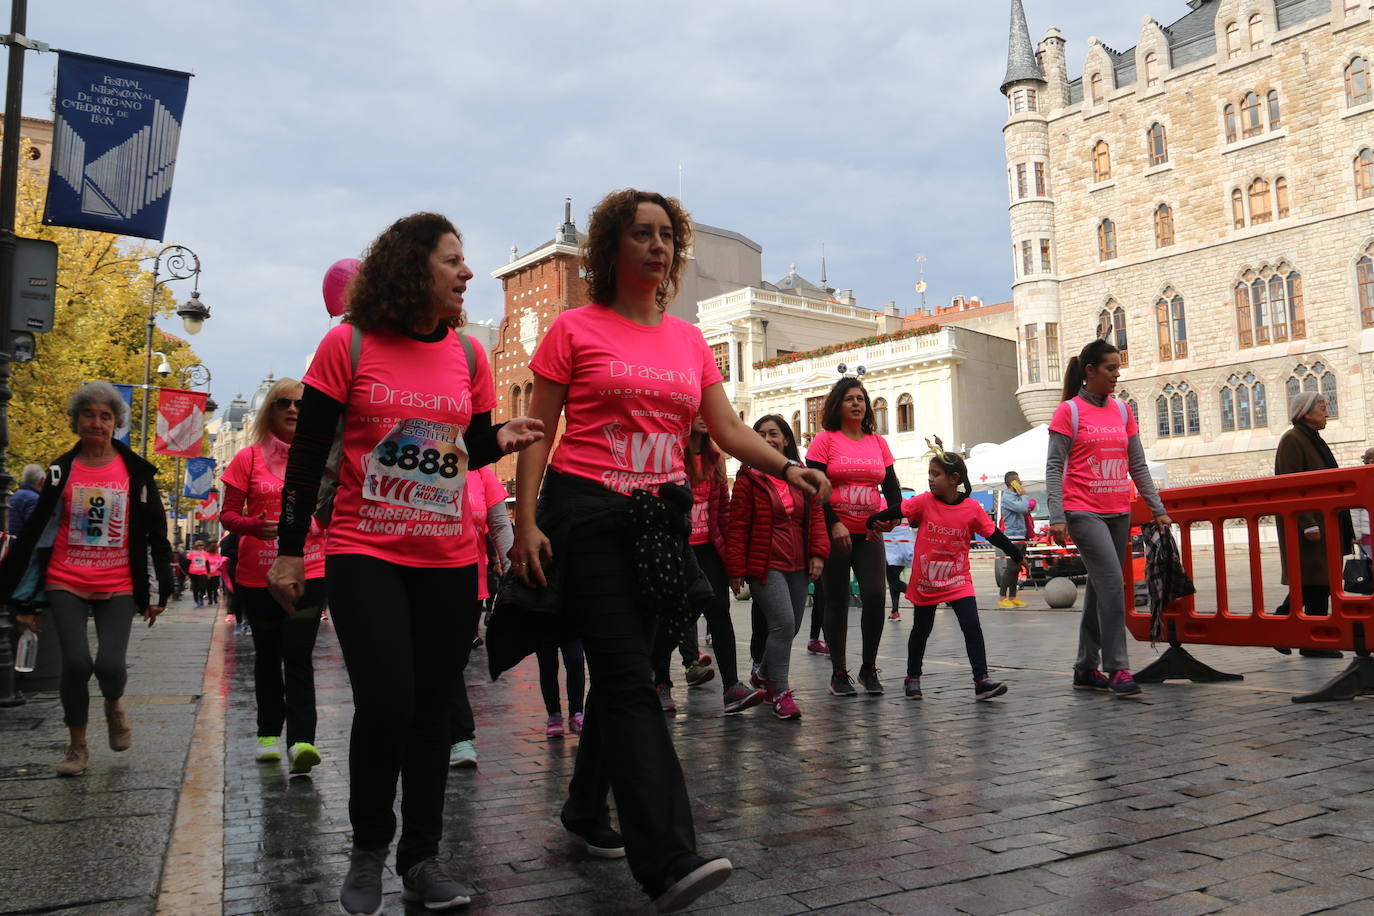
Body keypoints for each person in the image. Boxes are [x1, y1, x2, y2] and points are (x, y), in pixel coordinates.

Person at [512, 188, 830, 913]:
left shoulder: (687, 341)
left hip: (661, 520)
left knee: (633, 666)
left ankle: (586, 809)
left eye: (665, 236)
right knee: (629, 676)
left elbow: (725, 428)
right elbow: (538, 431)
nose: (657, 247)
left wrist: (787, 465)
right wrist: (528, 522)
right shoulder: (572, 328)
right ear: (611, 250)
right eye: (641, 235)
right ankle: (667, 858)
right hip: (587, 512)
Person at [269, 212, 543, 915]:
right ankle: (368, 846)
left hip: (448, 558)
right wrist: (291, 550)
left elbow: (464, 449)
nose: (467, 273)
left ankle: (420, 858)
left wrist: (497, 440)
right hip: (367, 550)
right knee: (388, 700)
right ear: (412, 266)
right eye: (453, 260)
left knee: (430, 710)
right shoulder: (347, 344)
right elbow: (307, 456)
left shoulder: (471, 357)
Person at [0, 382, 173, 777]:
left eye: (105, 416)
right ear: (76, 421)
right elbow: (35, 534)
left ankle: (114, 706)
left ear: (116, 424)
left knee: (110, 664)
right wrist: (24, 601)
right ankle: (77, 746)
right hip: (66, 578)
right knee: (76, 664)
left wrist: (161, 590)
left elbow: (157, 537)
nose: (96, 422)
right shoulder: (61, 471)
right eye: (89, 415)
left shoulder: (136, 473)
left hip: (119, 582)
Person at [1046, 339, 1171, 698]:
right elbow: (1054, 466)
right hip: (1082, 510)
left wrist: (1157, 507)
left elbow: (1138, 464)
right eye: (1111, 368)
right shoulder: (1068, 412)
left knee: (1101, 590)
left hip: (1118, 509)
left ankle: (1086, 668)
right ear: (1090, 371)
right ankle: (1118, 668)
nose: (1118, 375)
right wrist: (1057, 515)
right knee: (1114, 585)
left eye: (1119, 367)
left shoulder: (1122, 412)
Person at [220, 376, 326, 775]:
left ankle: (302, 741)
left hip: (310, 569)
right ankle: (268, 734)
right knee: (267, 656)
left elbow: (335, 506)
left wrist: (315, 523)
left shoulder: (320, 459)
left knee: (297, 654)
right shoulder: (247, 458)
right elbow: (226, 514)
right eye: (284, 403)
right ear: (271, 411)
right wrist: (250, 526)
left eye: (301, 403)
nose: (294, 410)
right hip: (255, 575)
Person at [872, 444, 1023, 700]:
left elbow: (994, 534)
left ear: (954, 479)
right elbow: (896, 511)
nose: (930, 479)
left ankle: (981, 680)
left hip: (957, 578)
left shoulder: (972, 508)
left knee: (971, 625)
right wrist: (871, 521)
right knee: (922, 629)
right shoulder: (924, 502)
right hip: (927, 579)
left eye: (936, 474)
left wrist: (1017, 555)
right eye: (929, 473)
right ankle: (912, 677)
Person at [654, 415, 761, 714]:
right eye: (696, 410)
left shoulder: (715, 460)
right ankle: (660, 682)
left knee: (720, 612)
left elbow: (724, 514)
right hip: (677, 548)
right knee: (671, 616)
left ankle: (731, 688)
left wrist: (733, 563)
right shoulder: (671, 457)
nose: (703, 416)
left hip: (708, 549)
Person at [724, 414, 828, 720]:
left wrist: (818, 554)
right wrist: (734, 568)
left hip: (797, 563)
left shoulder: (801, 474)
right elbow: (738, 524)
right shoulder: (748, 476)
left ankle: (764, 673)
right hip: (764, 564)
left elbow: (817, 517)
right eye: (760, 434)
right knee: (782, 623)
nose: (768, 439)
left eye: (774, 434)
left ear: (785, 439)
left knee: (793, 626)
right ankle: (780, 691)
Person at [805, 377, 902, 697]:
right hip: (836, 532)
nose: (857, 403)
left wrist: (891, 517)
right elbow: (813, 487)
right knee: (836, 600)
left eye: (861, 398)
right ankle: (838, 671)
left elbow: (891, 486)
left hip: (869, 534)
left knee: (875, 596)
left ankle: (868, 668)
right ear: (837, 404)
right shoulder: (825, 440)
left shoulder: (877, 442)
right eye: (849, 399)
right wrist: (833, 523)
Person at [1272, 392, 1349, 659]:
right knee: (1310, 582)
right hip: (1309, 524)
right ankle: (1280, 627)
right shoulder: (1292, 439)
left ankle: (1315, 641)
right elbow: (1290, 485)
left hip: (1325, 520)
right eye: (1322, 408)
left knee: (1322, 582)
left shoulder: (1313, 439)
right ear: (1306, 413)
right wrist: (1307, 523)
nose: (1327, 413)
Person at [448, 465, 511, 767]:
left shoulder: (481, 470)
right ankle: (454, 735)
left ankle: (458, 736)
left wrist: (514, 574)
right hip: (413, 573)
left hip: (469, 584)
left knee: (451, 661)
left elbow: (499, 525)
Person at [997, 471, 1034, 608]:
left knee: (1018, 567)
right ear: (1013, 483)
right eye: (1018, 481)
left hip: (1020, 535)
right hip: (1012, 537)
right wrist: (1024, 495)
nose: (1021, 483)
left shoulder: (1016, 497)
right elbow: (1024, 507)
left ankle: (1012, 597)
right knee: (1011, 568)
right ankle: (1002, 598)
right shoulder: (1007, 497)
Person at [883, 518, 915, 620]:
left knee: (892, 580)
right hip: (905, 546)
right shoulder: (906, 504)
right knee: (893, 578)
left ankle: (916, 598)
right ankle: (894, 611)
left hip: (891, 547)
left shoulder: (886, 505)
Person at [8, 464, 43, 535]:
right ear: (41, 481)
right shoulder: (35, 499)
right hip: (21, 543)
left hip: (9, 542)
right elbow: (33, 528)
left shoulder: (14, 495)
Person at [186, 539, 209, 607]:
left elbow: (207, 563)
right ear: (196, 546)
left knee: (203, 587)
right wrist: (187, 574)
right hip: (193, 572)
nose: (200, 547)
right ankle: (196, 601)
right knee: (195, 587)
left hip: (203, 572)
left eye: (201, 545)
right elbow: (188, 563)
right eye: (199, 545)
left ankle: (201, 598)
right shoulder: (192, 553)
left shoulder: (205, 553)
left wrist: (208, 573)